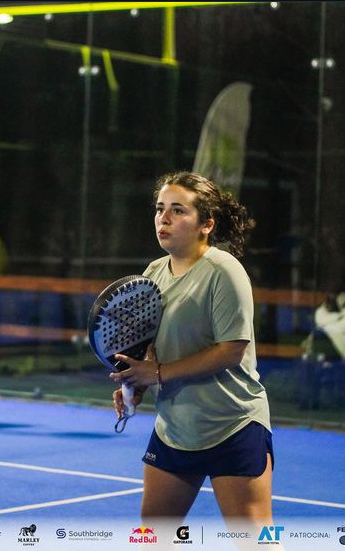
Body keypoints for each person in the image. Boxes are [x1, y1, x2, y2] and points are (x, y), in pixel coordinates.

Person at [108, 172, 275, 539]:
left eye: (178, 210)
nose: (164, 219)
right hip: (175, 429)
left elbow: (232, 350)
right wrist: (138, 383)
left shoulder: (224, 271)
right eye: (160, 209)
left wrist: (158, 373)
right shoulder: (153, 273)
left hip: (232, 425)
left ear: (206, 225)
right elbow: (152, 347)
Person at [297, 269, 345, 409]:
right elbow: (319, 317)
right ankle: (309, 398)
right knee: (312, 357)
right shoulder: (339, 297)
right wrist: (338, 318)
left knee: (313, 350)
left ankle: (308, 399)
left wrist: (327, 326)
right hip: (333, 340)